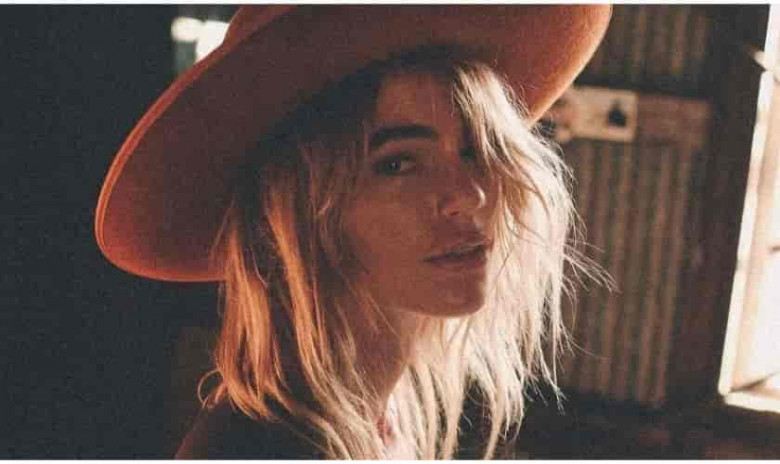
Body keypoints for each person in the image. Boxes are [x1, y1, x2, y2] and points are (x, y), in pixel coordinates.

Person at [94, 5, 611, 460]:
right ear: (294, 214)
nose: (469, 194)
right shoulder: (263, 448)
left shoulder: (377, 418)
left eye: (474, 148)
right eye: (398, 163)